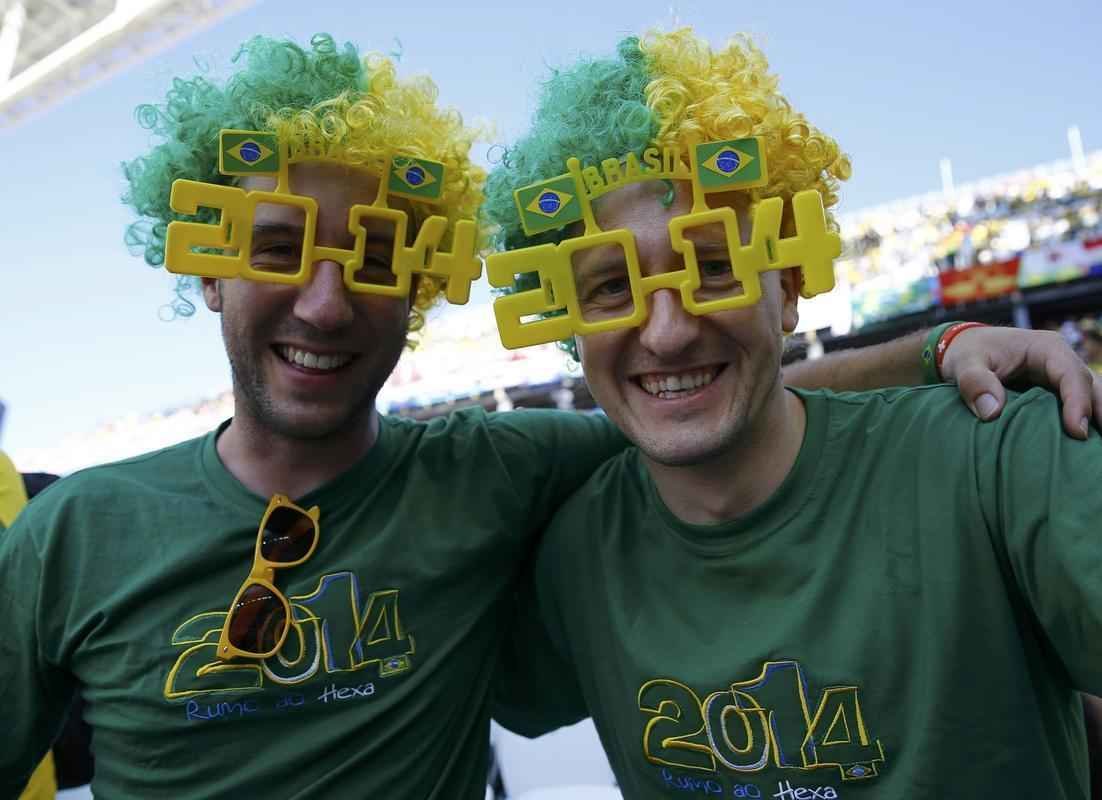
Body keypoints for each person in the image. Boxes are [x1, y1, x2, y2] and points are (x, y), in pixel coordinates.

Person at [0, 32, 1096, 799]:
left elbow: (710, 404)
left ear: (423, 285)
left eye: (375, 257)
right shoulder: (72, 533)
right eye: (280, 252)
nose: (327, 300)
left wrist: (938, 346)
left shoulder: (498, 475)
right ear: (203, 271)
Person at [485, 29, 1102, 799]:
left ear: (789, 288)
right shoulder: (574, 560)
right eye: (611, 285)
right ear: (566, 322)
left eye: (714, 266)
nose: (668, 330)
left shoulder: (1001, 457)